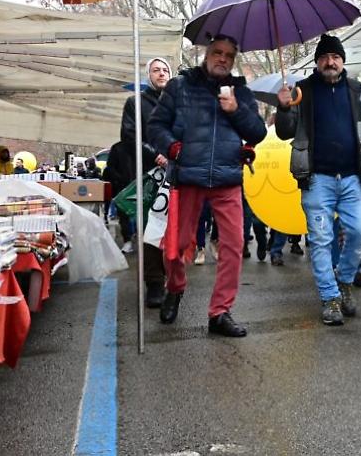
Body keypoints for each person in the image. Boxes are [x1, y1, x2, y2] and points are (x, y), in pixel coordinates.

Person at [148, 35, 266, 337]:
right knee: (175, 247)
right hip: (187, 178)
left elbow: (257, 132)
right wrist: (173, 148)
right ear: (206, 53)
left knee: (233, 246)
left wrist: (236, 110)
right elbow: (155, 126)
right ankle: (174, 287)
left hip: (227, 180)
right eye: (217, 52)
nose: (223, 58)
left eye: (229, 54)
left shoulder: (241, 92)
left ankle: (220, 312)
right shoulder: (180, 86)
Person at [275, 33, 361, 326]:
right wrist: (285, 107)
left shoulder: (356, 90)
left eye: (336, 57)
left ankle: (345, 280)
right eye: (325, 57)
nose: (330, 62)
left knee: (359, 233)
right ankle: (330, 298)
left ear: (342, 61)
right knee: (321, 240)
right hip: (316, 180)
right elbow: (285, 132)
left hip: (353, 178)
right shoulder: (302, 90)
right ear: (316, 62)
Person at [102, 139, 166, 307]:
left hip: (168, 181)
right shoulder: (122, 146)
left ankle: (172, 280)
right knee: (147, 229)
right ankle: (155, 281)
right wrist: (122, 181)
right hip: (139, 188)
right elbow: (110, 169)